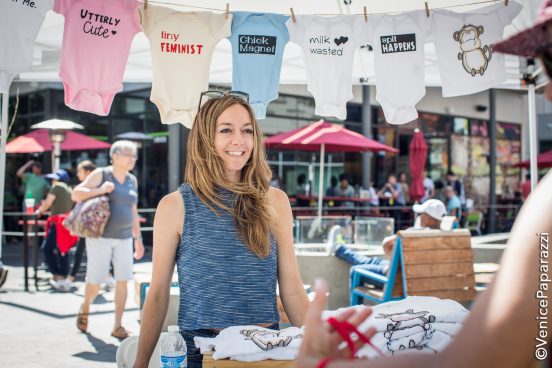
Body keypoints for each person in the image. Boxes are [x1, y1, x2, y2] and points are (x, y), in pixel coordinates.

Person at [294, 5, 552, 365]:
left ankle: (339, 247)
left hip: (391, 283)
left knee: (356, 260)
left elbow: (478, 360)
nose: (546, 90)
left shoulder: (547, 205)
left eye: (547, 63)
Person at [133, 93, 309, 368]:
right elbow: (157, 294)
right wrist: (140, 364)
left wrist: (326, 350)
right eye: (226, 130)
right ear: (206, 138)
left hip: (266, 352)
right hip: (201, 353)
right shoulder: (175, 206)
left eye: (247, 131)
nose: (239, 140)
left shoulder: (275, 201)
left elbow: (293, 289)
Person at [72, 140, 145, 339]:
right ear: (114, 156)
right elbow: (76, 194)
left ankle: (118, 326)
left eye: (134, 155)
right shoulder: (101, 174)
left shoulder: (132, 180)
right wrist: (101, 190)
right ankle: (85, 306)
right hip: (100, 237)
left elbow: (133, 210)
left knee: (123, 281)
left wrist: (137, 238)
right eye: (128, 154)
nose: (132, 159)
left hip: (124, 238)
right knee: (96, 281)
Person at [332, 199, 447, 279]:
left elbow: (386, 247)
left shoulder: (414, 234)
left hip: (396, 278)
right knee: (372, 261)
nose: (420, 217)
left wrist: (409, 232)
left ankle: (339, 249)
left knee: (355, 270)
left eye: (421, 214)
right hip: (409, 276)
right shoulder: (447, 240)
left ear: (427, 218)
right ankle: (339, 249)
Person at [35, 169, 74, 291]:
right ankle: (62, 275)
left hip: (58, 222)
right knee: (63, 249)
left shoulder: (57, 186)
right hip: (66, 222)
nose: (52, 181)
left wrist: (39, 211)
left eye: (54, 178)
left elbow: (47, 203)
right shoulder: (68, 189)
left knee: (47, 249)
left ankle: (58, 275)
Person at [65, 160, 96, 286]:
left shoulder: (92, 187)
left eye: (80, 171)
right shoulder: (91, 186)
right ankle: (108, 276)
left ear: (88, 172)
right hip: (89, 223)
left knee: (84, 251)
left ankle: (70, 279)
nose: (78, 174)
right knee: (86, 251)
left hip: (91, 224)